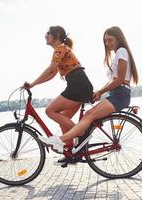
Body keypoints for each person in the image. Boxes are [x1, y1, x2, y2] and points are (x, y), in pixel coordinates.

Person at [38, 26, 139, 155]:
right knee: (85, 116)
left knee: (89, 116)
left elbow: (119, 80)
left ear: (118, 38)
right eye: (105, 41)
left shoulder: (122, 51)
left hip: (120, 94)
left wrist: (101, 92)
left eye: (110, 40)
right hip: (116, 94)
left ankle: (61, 140)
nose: (107, 44)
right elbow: (113, 81)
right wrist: (99, 92)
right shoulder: (118, 54)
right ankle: (70, 147)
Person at [23, 25, 93, 161]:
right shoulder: (60, 50)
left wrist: (32, 84)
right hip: (78, 84)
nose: (46, 35)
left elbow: (50, 69)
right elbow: (52, 73)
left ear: (57, 34)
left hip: (77, 85)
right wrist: (34, 85)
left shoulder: (60, 48)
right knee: (64, 119)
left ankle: (81, 133)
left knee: (50, 111)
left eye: (48, 33)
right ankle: (71, 151)